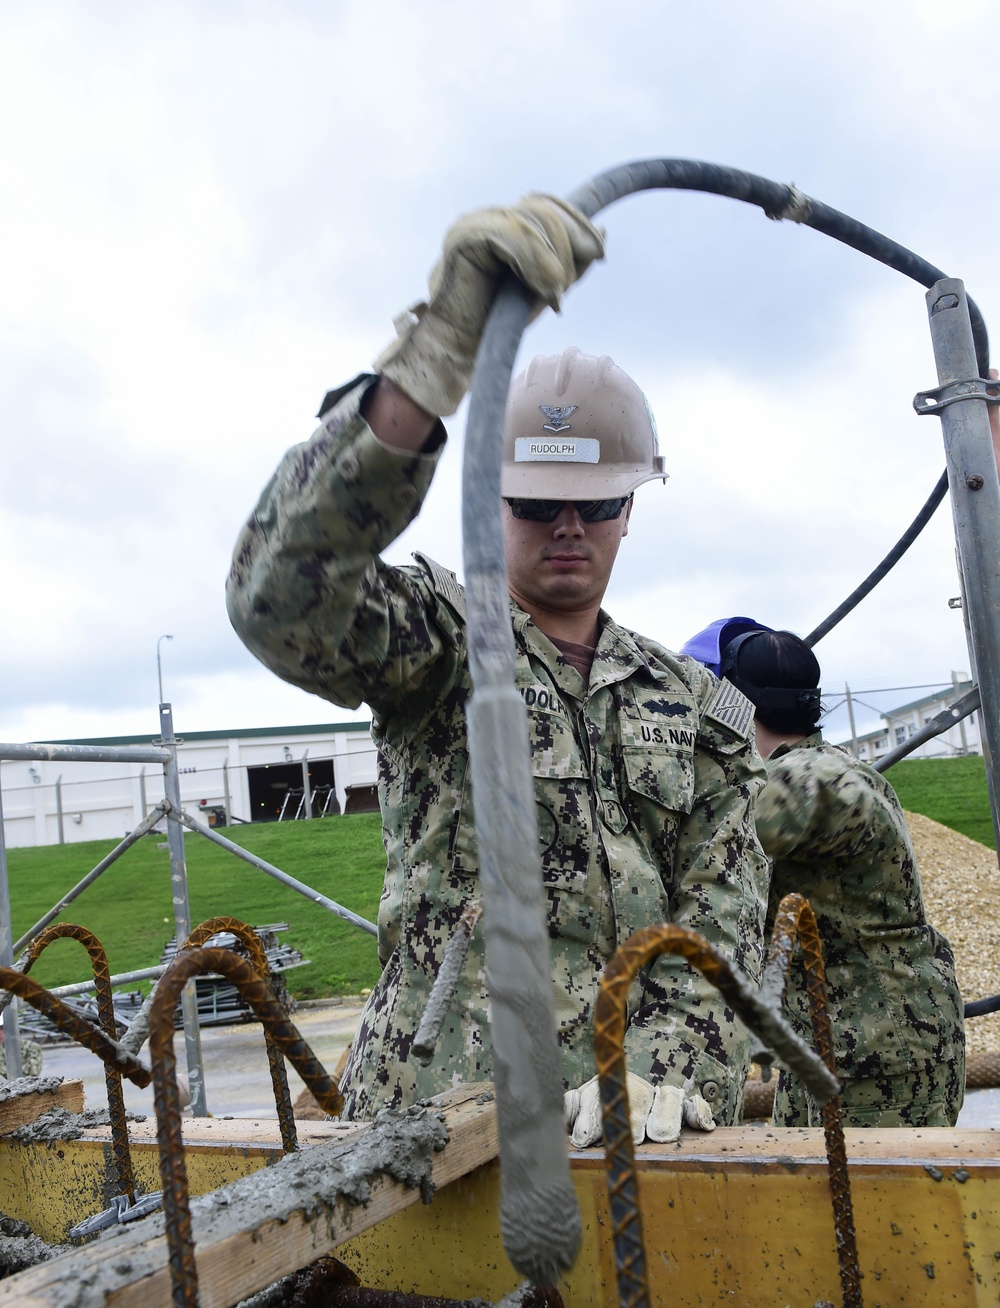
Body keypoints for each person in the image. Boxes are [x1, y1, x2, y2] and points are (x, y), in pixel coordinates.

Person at [227, 196, 769, 1143]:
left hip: (632, 1143)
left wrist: (657, 1073)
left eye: (595, 504)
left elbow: (723, 912)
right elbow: (278, 598)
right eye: (535, 500)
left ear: (631, 509)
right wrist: (425, 371)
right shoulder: (442, 645)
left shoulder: (692, 709)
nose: (568, 527)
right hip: (439, 1130)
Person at [681, 618, 965, 1127]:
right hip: (831, 1043)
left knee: (878, 1206)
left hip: (879, 1055)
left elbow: (720, 824)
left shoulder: (816, 779)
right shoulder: (810, 767)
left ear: (728, 702)